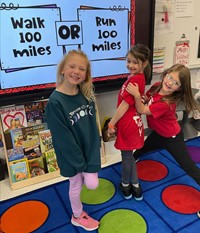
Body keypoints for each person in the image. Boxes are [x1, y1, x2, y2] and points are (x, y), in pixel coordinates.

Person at [45, 50, 101, 231]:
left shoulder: (86, 95)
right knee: (75, 184)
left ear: (86, 74)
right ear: (62, 69)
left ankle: (84, 178)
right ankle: (77, 215)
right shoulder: (55, 102)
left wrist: (92, 154)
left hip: (88, 150)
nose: (76, 71)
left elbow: (92, 128)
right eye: (72, 66)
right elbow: (63, 139)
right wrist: (80, 164)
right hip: (70, 155)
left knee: (93, 184)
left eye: (82, 69)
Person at [126, 64, 200, 186]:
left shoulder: (167, 103)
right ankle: (132, 161)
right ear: (166, 74)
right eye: (170, 77)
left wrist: (136, 96)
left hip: (172, 138)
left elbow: (142, 110)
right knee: (141, 149)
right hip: (158, 133)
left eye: (176, 83)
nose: (170, 83)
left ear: (179, 88)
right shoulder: (156, 87)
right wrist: (142, 98)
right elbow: (147, 98)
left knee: (189, 167)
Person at [107, 44, 151, 200]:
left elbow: (123, 107)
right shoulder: (139, 78)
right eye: (129, 61)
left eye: (135, 62)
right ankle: (136, 187)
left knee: (126, 156)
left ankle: (127, 185)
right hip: (134, 121)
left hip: (127, 123)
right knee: (129, 156)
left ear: (144, 64)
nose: (131, 65)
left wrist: (111, 124)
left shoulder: (134, 81)